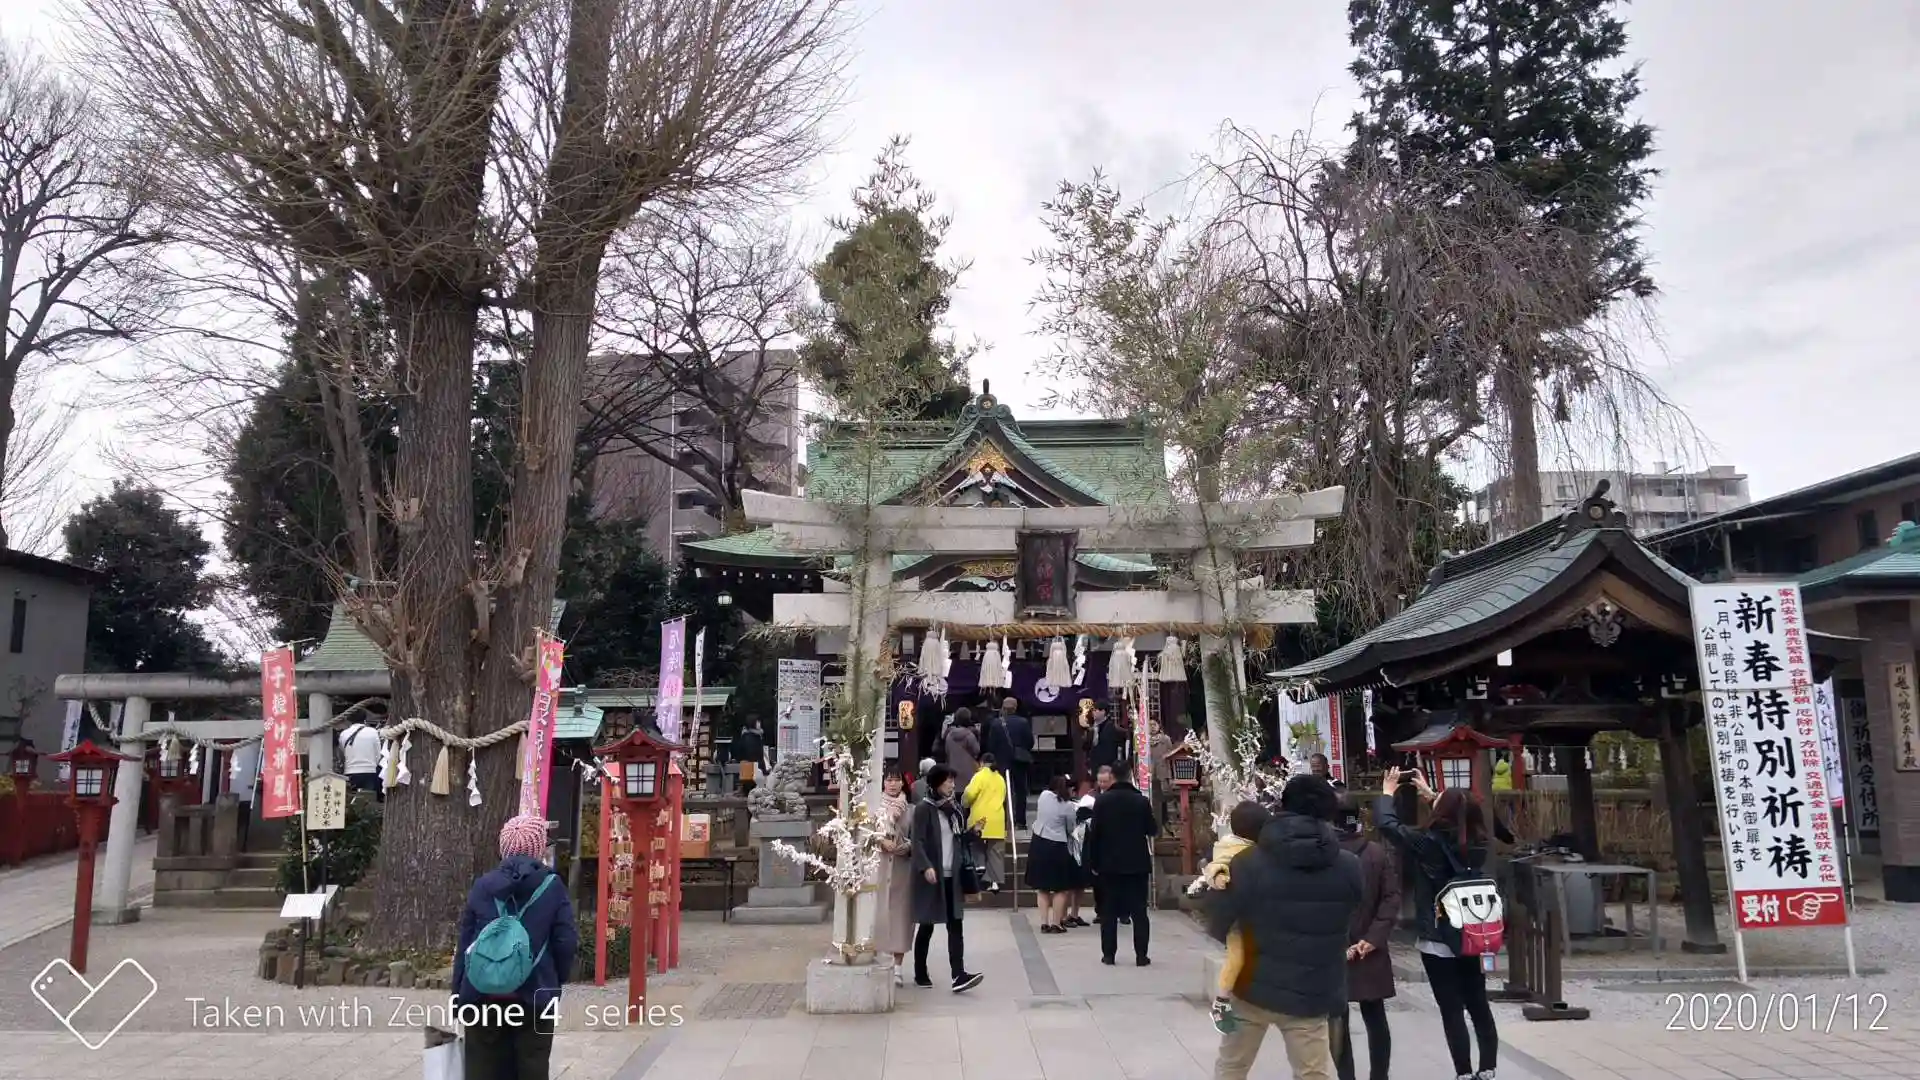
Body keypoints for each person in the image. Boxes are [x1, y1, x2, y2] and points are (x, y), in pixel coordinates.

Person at [1207, 775, 1361, 1080]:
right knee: (1312, 1073)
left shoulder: (1247, 862)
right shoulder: (1348, 865)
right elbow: (1352, 912)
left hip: (1251, 985)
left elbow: (1218, 920)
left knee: (1232, 1068)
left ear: (1283, 804)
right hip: (1312, 990)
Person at [1374, 767, 1500, 1080]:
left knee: (1451, 1008)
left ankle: (1463, 1072)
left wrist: (1388, 793)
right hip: (1475, 931)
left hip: (1439, 936)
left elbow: (1388, 825)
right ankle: (1488, 1069)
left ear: (1442, 812)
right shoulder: (1480, 842)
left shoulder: (1427, 843)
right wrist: (1436, 798)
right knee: (1478, 1003)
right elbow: (1457, 821)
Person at [454, 815, 578, 1080]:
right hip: (535, 996)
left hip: (482, 995)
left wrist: (458, 996)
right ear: (538, 847)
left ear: (503, 847)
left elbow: (465, 943)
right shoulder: (552, 887)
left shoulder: (483, 886)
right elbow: (565, 940)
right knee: (532, 1067)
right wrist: (555, 980)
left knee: (482, 1071)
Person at [1332, 795, 1399, 1080]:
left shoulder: (1323, 855)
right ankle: (1379, 1076)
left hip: (1333, 949)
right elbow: (1391, 898)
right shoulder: (1376, 853)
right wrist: (1374, 937)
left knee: (1337, 1021)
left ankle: (1345, 1076)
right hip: (1371, 947)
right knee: (1376, 1016)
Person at [907, 765, 984, 992]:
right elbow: (917, 841)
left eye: (952, 781)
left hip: (953, 875)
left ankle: (958, 975)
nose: (952, 785)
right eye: (948, 781)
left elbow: (957, 839)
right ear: (936, 783)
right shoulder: (924, 809)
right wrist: (925, 867)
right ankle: (920, 971)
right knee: (927, 925)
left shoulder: (955, 809)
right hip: (932, 876)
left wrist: (973, 832)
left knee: (955, 925)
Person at [1202, 800, 1272, 1033]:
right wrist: (1219, 877)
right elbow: (1216, 866)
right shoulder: (1232, 848)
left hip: (1251, 915)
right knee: (1237, 957)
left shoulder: (1255, 848)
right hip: (1236, 919)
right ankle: (1221, 1003)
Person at [1084, 762, 1156, 966]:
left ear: (1113, 777)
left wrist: (1093, 862)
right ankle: (1141, 955)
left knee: (1108, 911)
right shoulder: (1141, 801)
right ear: (1130, 775)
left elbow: (1095, 834)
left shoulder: (1102, 801)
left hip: (1108, 863)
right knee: (1139, 911)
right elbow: (1152, 829)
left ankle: (1109, 954)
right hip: (1137, 863)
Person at [874, 769, 916, 986]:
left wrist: (903, 846)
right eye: (889, 780)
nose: (892, 784)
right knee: (878, 916)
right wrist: (881, 842)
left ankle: (898, 968)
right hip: (879, 867)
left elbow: (917, 838)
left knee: (901, 917)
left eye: (896, 780)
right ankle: (879, 962)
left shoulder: (911, 810)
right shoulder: (874, 807)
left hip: (902, 869)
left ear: (903, 783)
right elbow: (865, 833)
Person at [1027, 773, 1079, 931]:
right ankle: (1056, 923)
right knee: (1060, 888)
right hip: (1057, 845)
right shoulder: (1068, 806)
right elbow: (1071, 828)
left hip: (1038, 842)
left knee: (1042, 887)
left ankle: (1044, 922)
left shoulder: (1043, 796)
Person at [962, 753, 1009, 892]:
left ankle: (980, 870)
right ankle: (994, 883)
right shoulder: (1000, 778)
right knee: (995, 852)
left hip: (980, 819)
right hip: (997, 819)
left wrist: (964, 803)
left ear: (981, 763)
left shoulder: (979, 776)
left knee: (977, 845)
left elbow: (969, 795)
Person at [990, 697, 1035, 830]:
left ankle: (1004, 820)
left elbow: (991, 745)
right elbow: (1030, 742)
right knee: (1021, 791)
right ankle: (1020, 821)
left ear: (1003, 708)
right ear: (1015, 708)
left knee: (1002, 791)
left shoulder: (996, 723)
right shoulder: (1023, 722)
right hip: (1019, 761)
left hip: (1002, 761)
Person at [1065, 777, 1095, 928]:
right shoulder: (1065, 806)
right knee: (1069, 886)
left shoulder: (1084, 805)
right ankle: (1063, 915)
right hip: (1070, 848)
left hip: (1082, 848)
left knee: (1079, 885)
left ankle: (1074, 914)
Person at [338, 719, 383, 799]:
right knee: (369, 799)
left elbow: (343, 753)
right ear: (365, 720)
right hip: (370, 772)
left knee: (352, 799)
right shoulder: (373, 732)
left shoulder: (343, 734)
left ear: (348, 720)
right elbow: (378, 754)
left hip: (350, 772)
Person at [943, 707, 981, 791]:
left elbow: (947, 751)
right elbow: (976, 751)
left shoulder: (949, 735)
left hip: (953, 772)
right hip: (968, 773)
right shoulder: (970, 735)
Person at [731, 719, 768, 795]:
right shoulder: (753, 737)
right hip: (753, 769)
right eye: (758, 722)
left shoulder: (749, 736)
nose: (759, 724)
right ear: (753, 724)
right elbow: (758, 755)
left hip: (749, 769)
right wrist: (763, 770)